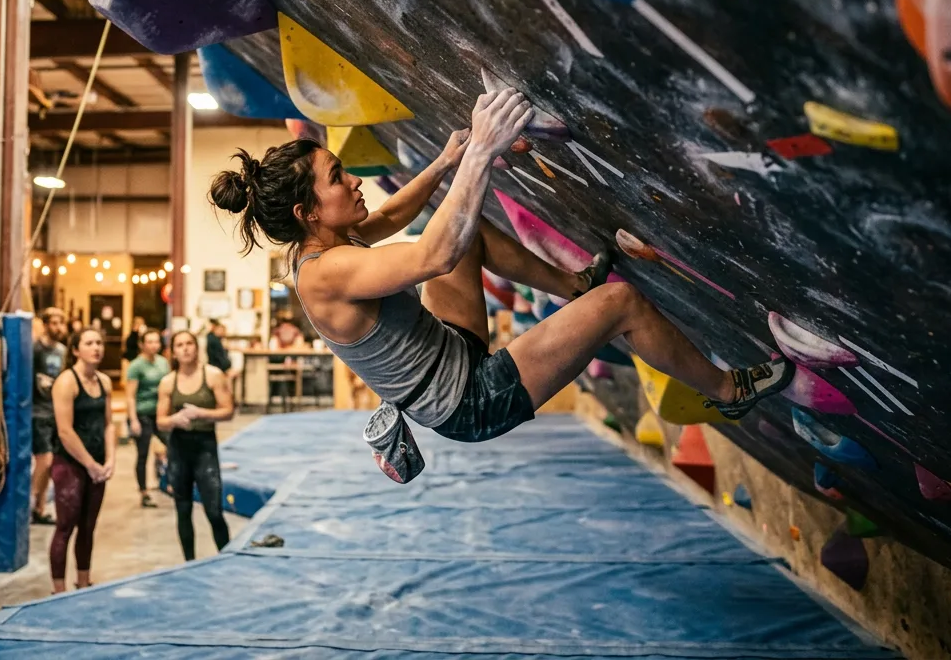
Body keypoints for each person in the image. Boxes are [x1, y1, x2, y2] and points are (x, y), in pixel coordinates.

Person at [207, 88, 791, 457]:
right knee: (622, 305)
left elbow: (391, 215)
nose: (354, 180)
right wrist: (483, 151)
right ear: (308, 213)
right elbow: (433, 257)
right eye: (338, 178)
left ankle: (574, 285)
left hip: (451, 350)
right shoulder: (323, 274)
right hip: (470, 401)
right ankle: (727, 392)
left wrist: (447, 161)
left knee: (469, 232)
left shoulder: (327, 237)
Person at [157, 330, 234, 561]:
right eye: (179, 345)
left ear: (196, 347)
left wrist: (201, 413)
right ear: (173, 352)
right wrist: (174, 420)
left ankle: (226, 559)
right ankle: (188, 561)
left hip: (204, 447)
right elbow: (160, 420)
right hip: (179, 448)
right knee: (183, 510)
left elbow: (228, 411)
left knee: (214, 510)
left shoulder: (212, 375)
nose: (185, 349)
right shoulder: (168, 382)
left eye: (189, 343)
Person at [50, 328, 115, 593]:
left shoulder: (104, 382)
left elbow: (109, 424)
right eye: (89, 343)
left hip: (97, 464)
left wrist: (110, 459)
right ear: (76, 350)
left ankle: (84, 582)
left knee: (88, 527)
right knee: (66, 526)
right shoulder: (66, 382)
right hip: (70, 464)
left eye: (99, 342)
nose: (96, 348)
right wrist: (90, 464)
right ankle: (58, 590)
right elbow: (65, 431)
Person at [31, 307, 69, 525]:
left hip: (56, 411)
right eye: (53, 323)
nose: (58, 327)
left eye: (60, 323)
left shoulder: (62, 351)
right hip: (38, 411)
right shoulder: (36, 349)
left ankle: (40, 508)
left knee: (51, 462)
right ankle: (30, 502)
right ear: (45, 325)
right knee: (44, 460)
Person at [125, 329, 171, 507]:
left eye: (156, 341)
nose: (153, 345)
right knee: (143, 453)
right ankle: (143, 492)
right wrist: (133, 420)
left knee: (172, 446)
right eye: (149, 342)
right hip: (142, 414)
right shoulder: (136, 366)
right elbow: (130, 396)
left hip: (160, 413)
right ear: (142, 345)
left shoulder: (163, 363)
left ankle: (166, 480)